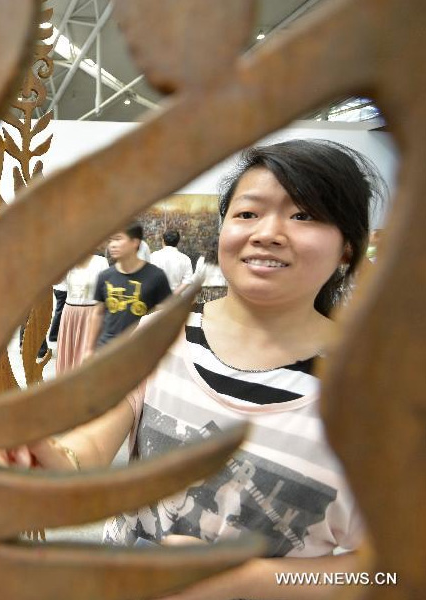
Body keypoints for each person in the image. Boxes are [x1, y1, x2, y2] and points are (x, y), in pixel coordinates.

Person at [28, 140, 381, 599]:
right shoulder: (163, 335)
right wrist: (46, 453)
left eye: (304, 215)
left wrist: (250, 583)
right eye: (248, 214)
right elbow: (91, 444)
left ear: (347, 249)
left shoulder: (372, 397)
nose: (268, 233)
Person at [85, 223, 171, 355]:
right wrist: (89, 349)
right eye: (110, 240)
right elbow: (97, 313)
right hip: (107, 348)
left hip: (141, 350)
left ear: (135, 242)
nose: (112, 245)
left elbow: (165, 315)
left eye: (118, 239)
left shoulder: (156, 276)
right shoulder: (105, 276)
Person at [55, 252, 109, 374]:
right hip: (70, 314)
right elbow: (57, 283)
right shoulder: (68, 261)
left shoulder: (100, 262)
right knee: (69, 352)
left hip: (92, 312)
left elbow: (106, 289)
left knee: (88, 352)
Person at [150, 229, 194, 294]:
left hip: (156, 297)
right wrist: (175, 293)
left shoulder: (153, 256)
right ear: (178, 242)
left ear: (163, 241)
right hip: (176, 299)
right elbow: (188, 280)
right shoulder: (185, 259)